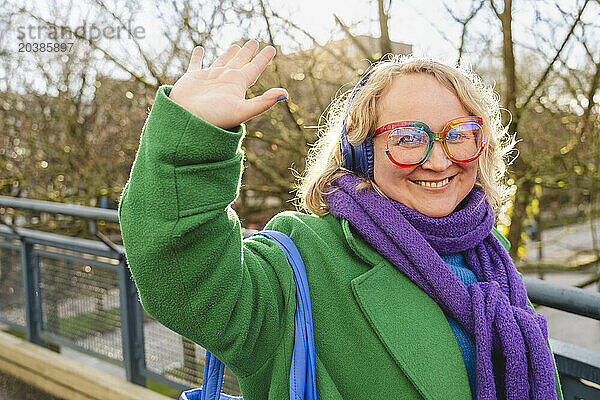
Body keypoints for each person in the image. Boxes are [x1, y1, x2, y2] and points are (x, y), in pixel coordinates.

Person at [119, 40, 564, 399]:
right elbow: (184, 278)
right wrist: (191, 145)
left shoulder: (489, 254)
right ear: (360, 152)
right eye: (408, 138)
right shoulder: (301, 260)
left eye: (459, 135)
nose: (439, 160)